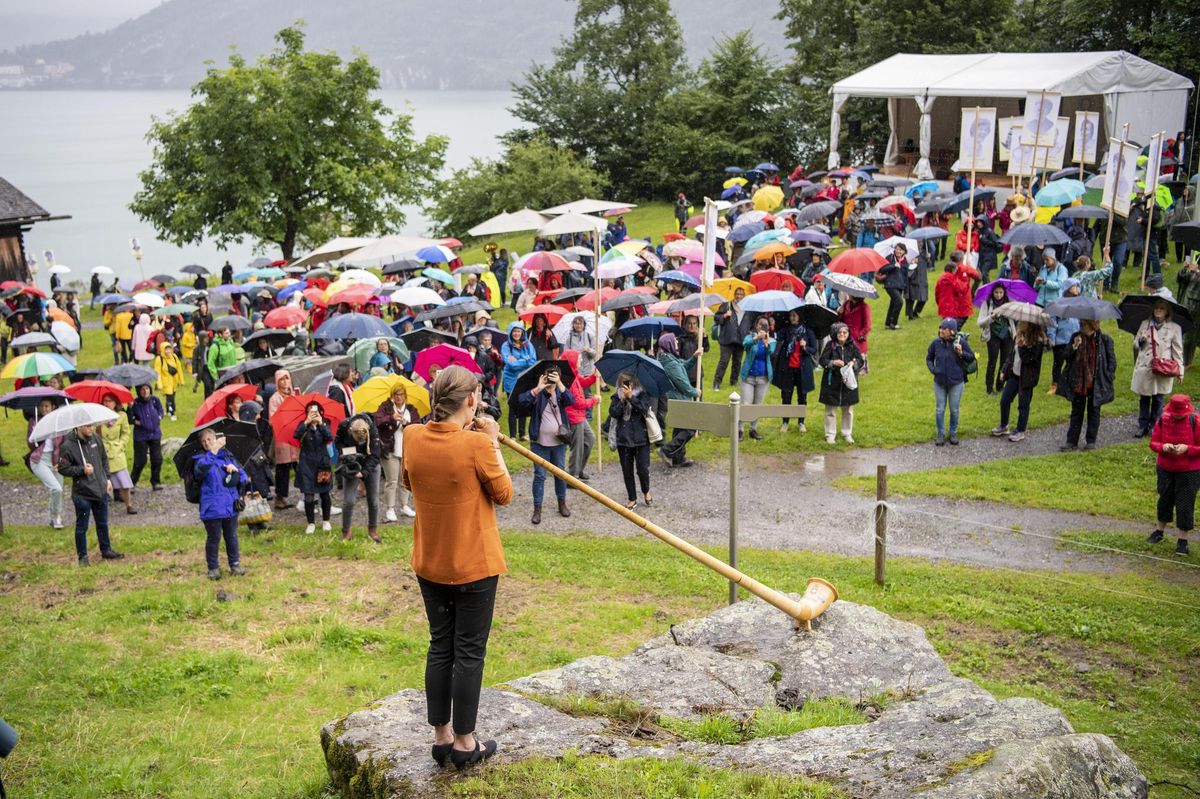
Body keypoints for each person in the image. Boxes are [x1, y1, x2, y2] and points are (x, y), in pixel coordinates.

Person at [401, 365, 512, 770]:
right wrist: (492, 441)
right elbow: (504, 493)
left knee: (440, 645)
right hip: (473, 565)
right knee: (468, 652)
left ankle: (441, 736)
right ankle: (466, 742)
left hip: (430, 562)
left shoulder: (411, 435)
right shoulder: (477, 445)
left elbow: (409, 482)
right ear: (470, 400)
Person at [57, 421, 122, 566]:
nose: (91, 428)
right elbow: (62, 468)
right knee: (82, 527)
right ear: (79, 426)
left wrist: (107, 478)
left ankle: (106, 550)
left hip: (100, 490)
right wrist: (82, 470)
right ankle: (83, 557)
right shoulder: (67, 445)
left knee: (102, 523)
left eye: (92, 425)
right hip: (82, 494)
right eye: (88, 426)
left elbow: (104, 459)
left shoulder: (96, 438)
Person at [517, 363, 574, 524]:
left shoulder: (561, 393)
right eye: (549, 376)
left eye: (554, 376)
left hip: (558, 443)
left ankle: (562, 503)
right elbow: (522, 401)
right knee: (540, 476)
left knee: (560, 474)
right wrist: (538, 388)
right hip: (539, 444)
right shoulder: (538, 394)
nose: (551, 379)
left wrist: (560, 384)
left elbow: (571, 400)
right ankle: (537, 509)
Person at [1147, 394, 1199, 556]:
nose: (1177, 416)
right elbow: (1153, 443)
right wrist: (1163, 447)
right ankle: (1159, 531)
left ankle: (1182, 541)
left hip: (1189, 471)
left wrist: (1187, 449)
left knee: (1185, 503)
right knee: (1164, 499)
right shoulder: (1163, 419)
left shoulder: (1195, 421)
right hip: (1165, 468)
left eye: (1180, 414)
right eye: (1175, 413)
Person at [193, 428, 249, 579]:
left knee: (232, 537)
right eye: (203, 441)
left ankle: (235, 565)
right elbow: (200, 470)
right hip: (212, 508)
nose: (207, 443)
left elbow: (244, 478)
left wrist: (235, 471)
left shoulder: (228, 457)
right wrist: (214, 451)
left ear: (215, 439)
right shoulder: (200, 459)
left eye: (209, 439)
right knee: (214, 538)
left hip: (230, 505)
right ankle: (213, 568)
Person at [1054, 319, 1116, 451]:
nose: (1082, 327)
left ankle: (1091, 441)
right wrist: (1074, 347)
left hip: (1096, 382)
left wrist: (1109, 377)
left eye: (1084, 325)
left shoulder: (1104, 340)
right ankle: (1071, 442)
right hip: (1078, 382)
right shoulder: (1076, 337)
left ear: (1092, 326)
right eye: (1081, 325)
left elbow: (1111, 361)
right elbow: (1066, 356)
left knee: (1094, 412)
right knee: (1076, 412)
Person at [1131, 299, 1184, 437]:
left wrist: (1180, 371)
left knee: (1158, 398)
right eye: (1156, 308)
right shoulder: (1145, 324)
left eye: (1162, 308)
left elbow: (1177, 351)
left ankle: (1154, 426)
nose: (1158, 310)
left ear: (1167, 312)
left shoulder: (1175, 328)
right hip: (1145, 366)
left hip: (1163, 368)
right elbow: (1135, 344)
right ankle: (1142, 426)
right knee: (1144, 398)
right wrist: (1141, 340)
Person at [993, 321, 1048, 442]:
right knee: (1005, 400)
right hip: (1014, 375)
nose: (1020, 323)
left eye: (1023, 322)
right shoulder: (1018, 336)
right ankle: (1004, 425)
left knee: (1023, 405)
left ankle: (1020, 430)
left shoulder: (1037, 342)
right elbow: (1011, 356)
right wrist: (1004, 369)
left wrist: (1022, 346)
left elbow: (1028, 359)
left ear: (1030, 325)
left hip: (1027, 378)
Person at [926, 319, 976, 446]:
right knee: (939, 409)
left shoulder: (961, 342)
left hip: (956, 383)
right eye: (940, 328)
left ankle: (953, 433)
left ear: (952, 331)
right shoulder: (936, 343)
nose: (941, 331)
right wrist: (934, 370)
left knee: (954, 410)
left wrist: (961, 353)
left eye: (944, 329)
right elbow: (929, 358)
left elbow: (971, 358)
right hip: (939, 383)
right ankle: (940, 434)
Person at [374, 383, 420, 521]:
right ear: (392, 396)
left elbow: (418, 426)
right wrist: (391, 418)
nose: (399, 397)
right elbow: (377, 421)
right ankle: (390, 508)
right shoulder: (386, 407)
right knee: (392, 480)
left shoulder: (411, 409)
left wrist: (406, 423)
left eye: (401, 394)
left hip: (406, 450)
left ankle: (404, 505)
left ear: (405, 395)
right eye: (396, 394)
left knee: (405, 480)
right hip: (389, 450)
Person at [608, 373, 653, 510]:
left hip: (641, 438)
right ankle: (632, 498)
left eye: (628, 382)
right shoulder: (617, 397)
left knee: (642, 469)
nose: (626, 385)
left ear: (634, 383)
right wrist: (622, 401)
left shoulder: (642, 394)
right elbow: (613, 413)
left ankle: (646, 490)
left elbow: (644, 409)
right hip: (623, 439)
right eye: (623, 383)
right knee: (627, 471)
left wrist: (631, 398)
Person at [335, 414, 382, 543]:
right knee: (348, 500)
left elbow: (375, 455)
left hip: (370, 464)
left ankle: (372, 529)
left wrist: (363, 472)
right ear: (350, 430)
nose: (359, 441)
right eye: (356, 438)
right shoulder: (343, 426)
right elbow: (338, 442)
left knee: (373, 500)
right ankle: (346, 531)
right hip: (351, 463)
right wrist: (347, 454)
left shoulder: (373, 430)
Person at [656, 332, 699, 466]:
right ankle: (667, 450)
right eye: (674, 341)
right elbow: (682, 384)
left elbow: (683, 366)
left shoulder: (669, 358)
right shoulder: (670, 364)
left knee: (680, 428)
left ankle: (678, 459)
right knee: (691, 428)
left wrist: (694, 357)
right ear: (668, 343)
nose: (677, 342)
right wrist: (695, 392)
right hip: (679, 399)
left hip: (676, 399)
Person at [819, 323, 865, 445]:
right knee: (830, 410)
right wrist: (833, 362)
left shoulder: (852, 345)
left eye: (845, 332)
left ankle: (847, 433)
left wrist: (853, 364)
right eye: (840, 332)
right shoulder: (831, 345)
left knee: (848, 409)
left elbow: (860, 360)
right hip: (831, 382)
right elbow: (822, 360)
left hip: (848, 382)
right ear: (835, 334)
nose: (842, 335)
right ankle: (830, 434)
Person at [773, 310, 818, 433]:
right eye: (790, 315)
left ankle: (801, 422)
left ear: (800, 316)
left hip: (802, 369)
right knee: (786, 396)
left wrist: (805, 347)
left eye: (794, 315)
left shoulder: (807, 332)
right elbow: (776, 337)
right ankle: (785, 422)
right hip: (788, 368)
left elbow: (814, 349)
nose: (792, 317)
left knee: (802, 396)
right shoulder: (786, 330)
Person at [295, 401, 334, 535]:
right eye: (310, 412)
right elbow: (296, 435)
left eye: (316, 412)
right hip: (306, 464)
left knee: (325, 494)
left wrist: (321, 424)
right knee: (308, 496)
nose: (313, 414)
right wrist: (306, 422)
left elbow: (329, 437)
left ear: (321, 412)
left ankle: (326, 520)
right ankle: (311, 523)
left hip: (322, 464)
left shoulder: (325, 423)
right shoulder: (303, 425)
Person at [561, 350, 600, 479]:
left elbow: (583, 382)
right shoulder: (568, 379)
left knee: (590, 439)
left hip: (580, 416)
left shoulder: (574, 373)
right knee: (577, 448)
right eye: (579, 358)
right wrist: (594, 400)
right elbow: (578, 403)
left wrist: (594, 376)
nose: (581, 360)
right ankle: (572, 477)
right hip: (574, 418)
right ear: (572, 361)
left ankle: (579, 469)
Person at [27, 399, 65, 528]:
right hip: (39, 459)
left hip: (56, 459)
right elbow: (30, 443)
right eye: (42, 406)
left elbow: (65, 443)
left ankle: (54, 517)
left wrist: (61, 461)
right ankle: (56, 516)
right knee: (56, 488)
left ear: (53, 407)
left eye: (47, 406)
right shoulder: (34, 421)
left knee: (58, 490)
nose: (44, 408)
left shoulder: (59, 421)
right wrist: (37, 433)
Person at [268, 369, 300, 511]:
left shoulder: (294, 394)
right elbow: (273, 419)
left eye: (287, 378)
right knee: (283, 468)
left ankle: (308, 494)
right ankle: (280, 497)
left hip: (295, 436)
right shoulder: (274, 398)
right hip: (283, 438)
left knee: (300, 466)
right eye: (282, 379)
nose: (285, 382)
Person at [739, 317, 776, 440]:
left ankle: (753, 429)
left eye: (765, 325)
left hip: (763, 378)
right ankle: (739, 429)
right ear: (756, 326)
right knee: (746, 404)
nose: (762, 327)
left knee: (757, 405)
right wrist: (756, 338)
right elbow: (745, 344)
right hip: (748, 377)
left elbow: (771, 352)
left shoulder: (771, 340)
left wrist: (765, 343)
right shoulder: (750, 337)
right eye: (760, 324)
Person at [100, 394, 136, 514]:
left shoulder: (122, 415)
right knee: (102, 482)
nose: (107, 403)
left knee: (123, 481)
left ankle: (129, 505)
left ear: (115, 402)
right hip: (103, 452)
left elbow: (126, 432)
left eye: (110, 401)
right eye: (105, 401)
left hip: (117, 452)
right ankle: (101, 507)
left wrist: (121, 445)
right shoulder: (98, 417)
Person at [501, 322, 537, 440]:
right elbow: (510, 364)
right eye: (514, 331)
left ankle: (522, 434)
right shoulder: (506, 346)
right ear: (511, 332)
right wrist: (525, 360)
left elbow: (533, 361)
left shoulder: (527, 345)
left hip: (524, 379)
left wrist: (518, 361)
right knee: (513, 406)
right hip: (511, 380)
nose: (516, 333)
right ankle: (512, 435)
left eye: (518, 331)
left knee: (523, 404)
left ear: (522, 332)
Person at [977, 282, 1015, 395]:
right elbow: (980, 323)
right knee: (992, 362)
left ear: (1004, 293)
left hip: (1007, 336)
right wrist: (991, 317)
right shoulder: (987, 303)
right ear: (992, 293)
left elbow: (1015, 318)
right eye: (996, 292)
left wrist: (1008, 312)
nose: (998, 295)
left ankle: (1000, 385)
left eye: (1001, 292)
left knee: (1005, 362)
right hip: (993, 336)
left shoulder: (1009, 302)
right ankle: (989, 388)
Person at [1047, 278, 1082, 394]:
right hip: (1061, 339)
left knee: (1074, 363)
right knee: (1058, 363)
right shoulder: (1058, 303)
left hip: (1075, 338)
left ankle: (1070, 384)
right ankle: (1055, 384)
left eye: (1077, 286)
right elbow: (1051, 321)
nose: (1076, 289)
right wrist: (1051, 337)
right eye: (1074, 286)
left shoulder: (1079, 303)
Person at [712, 288, 751, 389]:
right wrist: (725, 315)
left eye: (741, 294)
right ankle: (717, 383)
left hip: (741, 339)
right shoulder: (727, 305)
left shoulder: (747, 308)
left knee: (737, 362)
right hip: (727, 339)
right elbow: (716, 317)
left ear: (744, 296)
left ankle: (734, 381)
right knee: (724, 361)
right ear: (734, 295)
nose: (739, 296)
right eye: (737, 294)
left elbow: (750, 322)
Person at [128, 384, 165, 490]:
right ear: (138, 391)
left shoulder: (155, 400)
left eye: (147, 389)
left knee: (157, 459)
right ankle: (131, 483)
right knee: (140, 461)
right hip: (141, 436)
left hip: (155, 434)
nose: (145, 391)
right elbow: (129, 418)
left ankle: (155, 482)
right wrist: (135, 419)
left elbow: (161, 411)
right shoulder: (135, 403)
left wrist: (158, 417)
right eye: (142, 389)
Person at [935, 253, 978, 330]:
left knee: (947, 325)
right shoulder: (954, 277)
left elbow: (937, 293)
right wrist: (967, 281)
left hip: (945, 306)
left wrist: (940, 303)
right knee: (953, 327)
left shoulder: (941, 278)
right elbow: (963, 289)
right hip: (957, 305)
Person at [876, 243, 909, 330]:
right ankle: (894, 323)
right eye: (897, 249)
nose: (898, 251)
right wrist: (893, 266)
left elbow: (906, 276)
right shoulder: (890, 258)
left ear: (904, 251)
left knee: (893, 303)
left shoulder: (905, 261)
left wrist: (906, 289)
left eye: (900, 250)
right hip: (890, 284)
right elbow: (882, 269)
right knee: (899, 302)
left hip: (900, 286)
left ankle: (887, 323)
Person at [1176, 258, 1200, 368]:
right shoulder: (1193, 269)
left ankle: (1187, 361)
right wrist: (1184, 269)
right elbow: (1181, 280)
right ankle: (1179, 358)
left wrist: (1198, 272)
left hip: (1196, 308)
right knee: (1181, 332)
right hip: (1185, 304)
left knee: (1190, 336)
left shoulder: (1196, 271)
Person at [838, 294, 872, 372]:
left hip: (858, 340)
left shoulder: (864, 307)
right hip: (845, 338)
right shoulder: (846, 304)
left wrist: (860, 335)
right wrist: (840, 313)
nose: (848, 294)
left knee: (857, 368)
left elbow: (867, 326)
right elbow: (841, 320)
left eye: (850, 294)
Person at [151, 341, 184, 421]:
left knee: (171, 397)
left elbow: (179, 369)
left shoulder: (174, 357)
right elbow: (157, 372)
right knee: (170, 399)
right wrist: (159, 384)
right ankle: (172, 413)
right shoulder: (159, 359)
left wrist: (181, 380)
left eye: (169, 349)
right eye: (166, 349)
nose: (168, 351)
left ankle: (168, 410)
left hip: (174, 382)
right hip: (166, 383)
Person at [905, 245, 933, 319]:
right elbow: (906, 267)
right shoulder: (909, 253)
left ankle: (916, 312)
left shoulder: (924, 253)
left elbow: (929, 266)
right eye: (918, 241)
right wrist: (912, 263)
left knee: (924, 297)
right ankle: (910, 314)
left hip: (923, 278)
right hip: (913, 278)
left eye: (921, 241)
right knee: (911, 297)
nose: (920, 243)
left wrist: (928, 259)